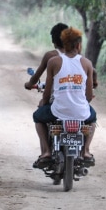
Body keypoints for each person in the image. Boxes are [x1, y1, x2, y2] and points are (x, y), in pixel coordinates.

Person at [32, 27, 97, 173]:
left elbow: (48, 91)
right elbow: (88, 96)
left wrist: (44, 102)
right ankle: (86, 151)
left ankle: (47, 152)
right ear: (79, 45)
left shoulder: (54, 62)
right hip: (81, 112)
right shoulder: (87, 63)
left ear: (63, 43)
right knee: (92, 119)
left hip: (58, 111)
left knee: (37, 117)